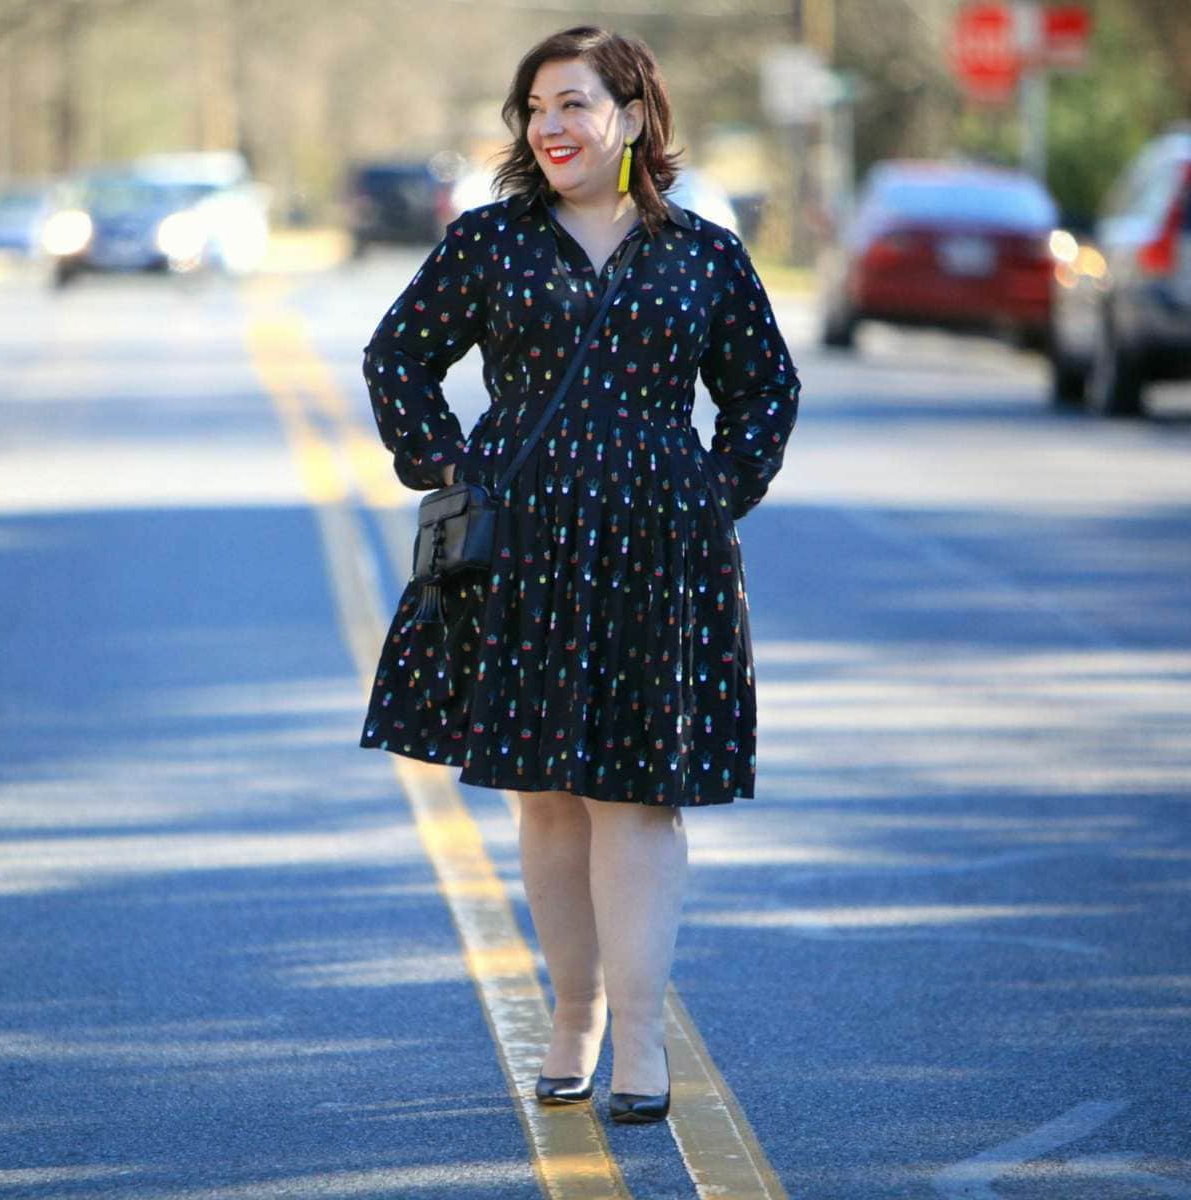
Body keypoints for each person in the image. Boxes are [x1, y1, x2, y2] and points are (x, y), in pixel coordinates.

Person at [358, 25, 800, 1123]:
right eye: (535, 110)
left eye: (572, 105)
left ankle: (642, 1043)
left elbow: (765, 389)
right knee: (550, 800)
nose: (549, 128)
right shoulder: (491, 244)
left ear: (634, 116)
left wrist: (710, 495)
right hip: (522, 545)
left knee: (638, 798)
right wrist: (450, 465)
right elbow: (396, 355)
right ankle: (572, 1020)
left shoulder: (702, 253)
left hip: (658, 552)